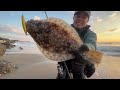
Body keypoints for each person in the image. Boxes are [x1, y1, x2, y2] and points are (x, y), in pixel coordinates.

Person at [56, 11, 97, 79]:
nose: (80, 19)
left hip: (79, 64)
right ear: (73, 18)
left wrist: (86, 48)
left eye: (84, 17)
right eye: (78, 16)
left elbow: (92, 44)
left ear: (87, 20)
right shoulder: (64, 29)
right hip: (64, 62)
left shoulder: (90, 34)